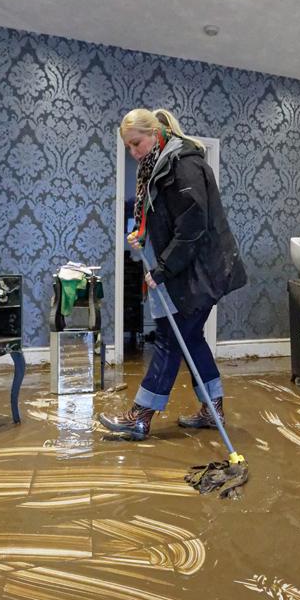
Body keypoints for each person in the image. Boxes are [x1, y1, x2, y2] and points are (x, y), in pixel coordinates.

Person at [98, 108, 247, 440]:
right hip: (187, 272)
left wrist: (163, 268)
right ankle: (212, 409)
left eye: (136, 144)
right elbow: (169, 220)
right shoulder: (161, 166)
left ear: (154, 133)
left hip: (200, 273)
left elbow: (193, 226)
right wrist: (143, 235)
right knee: (190, 339)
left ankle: (141, 416)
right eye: (130, 148)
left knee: (168, 339)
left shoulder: (184, 164)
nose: (134, 153)